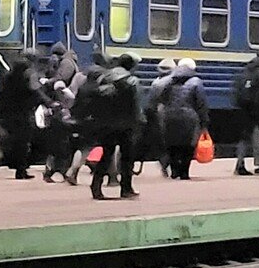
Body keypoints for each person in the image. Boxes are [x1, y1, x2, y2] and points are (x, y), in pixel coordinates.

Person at [70, 52, 143, 199]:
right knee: (126, 158)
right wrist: (139, 121)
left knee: (106, 155)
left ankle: (96, 185)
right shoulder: (132, 80)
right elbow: (135, 104)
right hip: (125, 124)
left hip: (106, 123)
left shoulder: (104, 77)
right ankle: (126, 188)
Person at [0, 53, 51, 180]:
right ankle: (20, 171)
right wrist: (47, 102)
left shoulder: (8, 77)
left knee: (12, 140)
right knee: (23, 143)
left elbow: (1, 96)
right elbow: (35, 93)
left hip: (8, 114)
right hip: (22, 114)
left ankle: (0, 160)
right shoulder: (27, 76)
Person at [149, 58, 208, 181]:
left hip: (170, 115)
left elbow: (161, 97)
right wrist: (204, 121)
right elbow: (201, 103)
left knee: (172, 144)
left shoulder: (169, 80)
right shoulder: (196, 82)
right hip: (189, 117)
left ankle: (174, 171)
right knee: (188, 145)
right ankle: (184, 172)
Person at [231, 51, 259, 176]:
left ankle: (240, 164)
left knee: (244, 138)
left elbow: (236, 91)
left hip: (242, 109)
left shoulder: (243, 73)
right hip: (256, 109)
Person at [145, 57, 176, 177]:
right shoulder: (171, 81)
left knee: (161, 142)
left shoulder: (155, 82)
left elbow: (151, 102)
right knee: (171, 141)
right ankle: (168, 164)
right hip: (169, 113)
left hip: (158, 113)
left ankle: (164, 164)